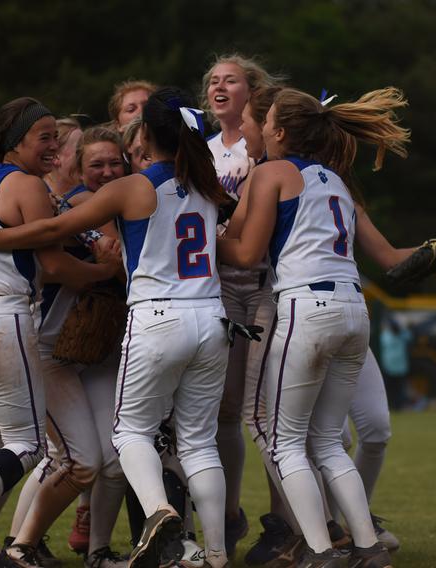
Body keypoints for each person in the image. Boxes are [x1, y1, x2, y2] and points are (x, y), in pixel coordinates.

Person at [0, 87, 236, 568]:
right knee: (198, 443)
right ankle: (215, 555)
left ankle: (160, 516)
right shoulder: (210, 187)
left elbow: (50, 233)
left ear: (144, 135)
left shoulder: (134, 187)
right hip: (211, 319)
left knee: (129, 433)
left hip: (158, 319)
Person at [218, 86, 410, 568]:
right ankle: (366, 547)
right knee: (325, 440)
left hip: (308, 307)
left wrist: (202, 237)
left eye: (266, 121)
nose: (257, 126)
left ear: (280, 132)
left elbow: (246, 253)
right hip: (354, 310)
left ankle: (320, 551)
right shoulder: (337, 180)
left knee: (283, 440)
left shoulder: (272, 172)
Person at [0, 97, 115, 568]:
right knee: (27, 445)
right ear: (15, 141)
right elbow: (52, 264)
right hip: (0, 320)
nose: (53, 146)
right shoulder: (26, 184)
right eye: (44, 136)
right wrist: (104, 271)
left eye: (56, 136)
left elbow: (17, 238)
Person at [5, 126, 130, 568]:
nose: (107, 171)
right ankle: (20, 544)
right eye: (95, 163)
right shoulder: (79, 203)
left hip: (94, 353)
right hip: (52, 350)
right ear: (77, 168)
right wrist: (106, 266)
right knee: (75, 458)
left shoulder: (127, 203)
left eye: (115, 162)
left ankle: (95, 552)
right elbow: (61, 264)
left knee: (112, 459)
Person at [201, 53, 283, 558]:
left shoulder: (272, 145)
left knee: (270, 410)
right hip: (221, 288)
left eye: (230, 79)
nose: (219, 85)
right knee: (226, 410)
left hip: (266, 282)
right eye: (213, 80)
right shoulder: (203, 150)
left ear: (252, 90)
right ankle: (230, 516)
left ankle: (283, 522)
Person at [378, 317, 412, 410]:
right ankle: (391, 405)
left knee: (399, 389)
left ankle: (398, 405)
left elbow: (410, 336)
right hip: (390, 367)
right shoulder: (387, 335)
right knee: (391, 389)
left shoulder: (399, 335)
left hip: (398, 367)